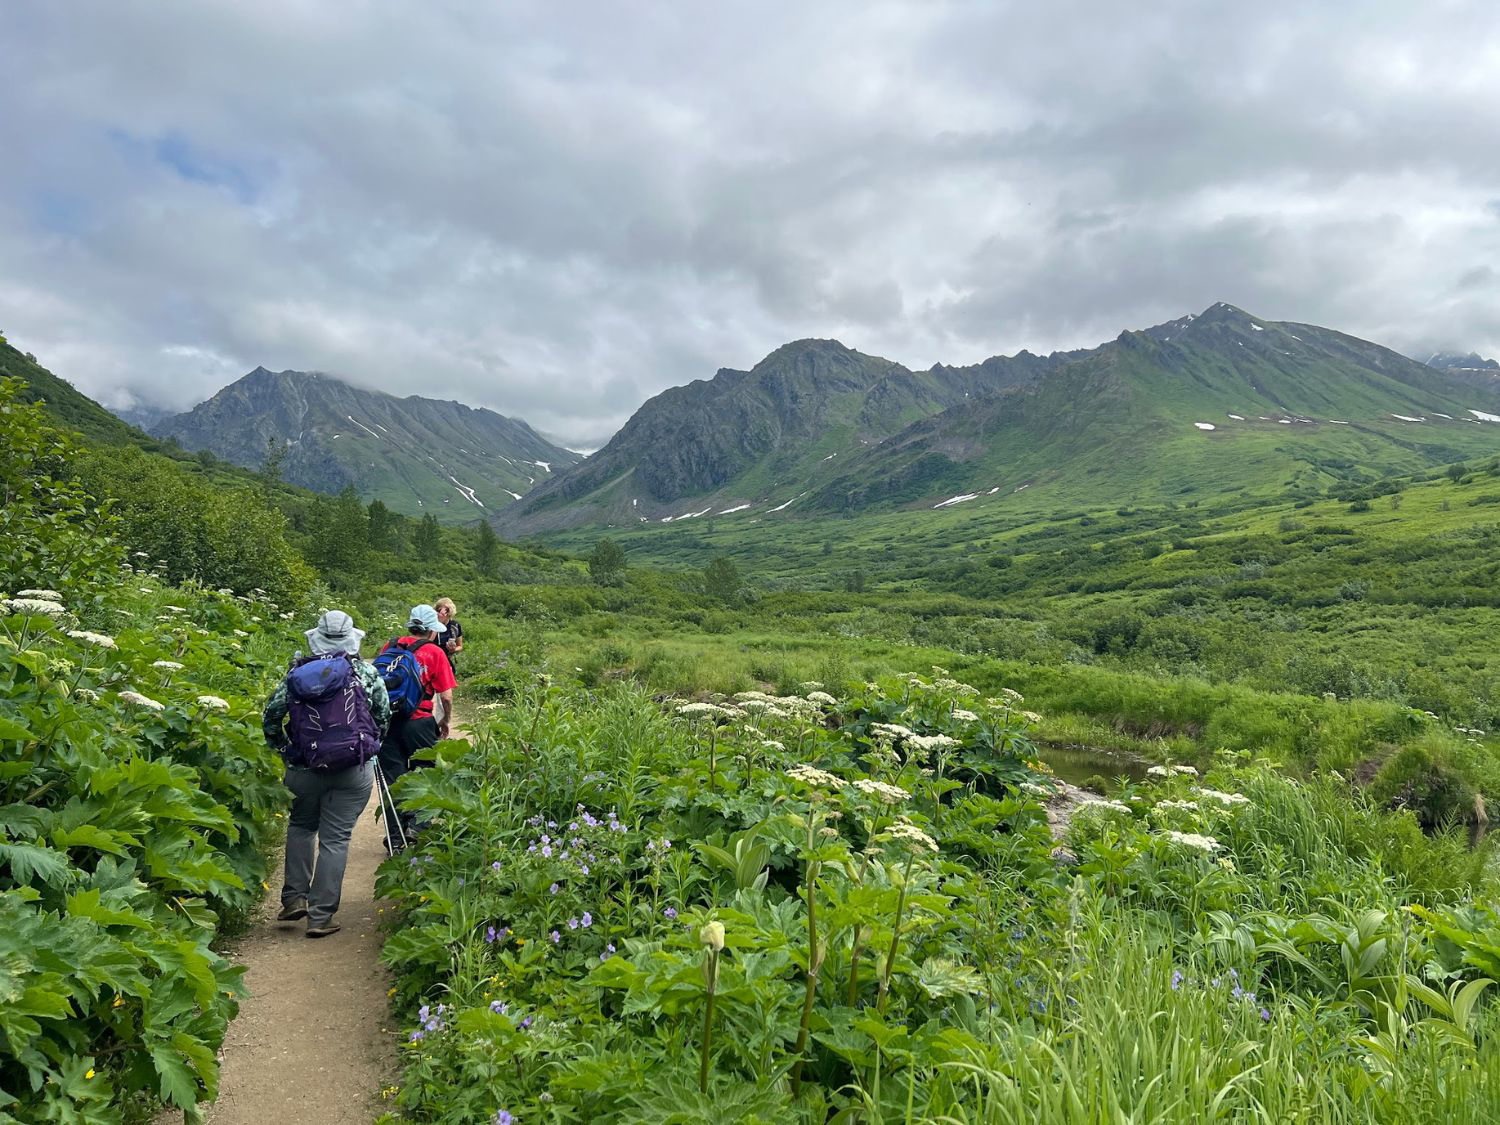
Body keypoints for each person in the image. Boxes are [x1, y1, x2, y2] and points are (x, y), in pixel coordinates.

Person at [262, 610, 390, 938]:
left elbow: (271, 714)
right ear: (352, 639)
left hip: (303, 766)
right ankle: (320, 917)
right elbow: (382, 715)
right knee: (336, 838)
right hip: (351, 768)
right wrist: (368, 747)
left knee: (302, 826)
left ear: (315, 637)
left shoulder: (298, 673)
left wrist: (284, 749)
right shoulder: (365, 673)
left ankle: (293, 900)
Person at [375, 605, 456, 839]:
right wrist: (445, 721)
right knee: (425, 770)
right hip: (419, 720)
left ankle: (395, 835)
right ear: (431, 630)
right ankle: (417, 826)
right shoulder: (434, 652)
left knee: (393, 778)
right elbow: (446, 696)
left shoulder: (390, 646)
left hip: (388, 721)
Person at [435, 596, 464, 674]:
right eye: (439, 610)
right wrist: (438, 623)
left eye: (446, 611)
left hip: (446, 659)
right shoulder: (432, 624)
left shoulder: (455, 626)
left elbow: (460, 646)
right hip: (432, 659)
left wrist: (453, 650)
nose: (442, 613)